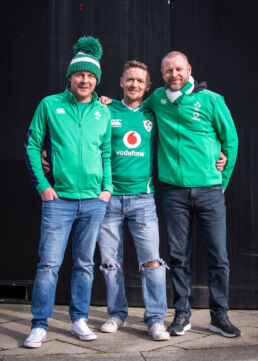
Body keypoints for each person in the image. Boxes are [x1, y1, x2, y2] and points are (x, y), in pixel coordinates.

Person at [23, 36, 112, 348]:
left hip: (93, 201)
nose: (85, 80)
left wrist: (107, 188)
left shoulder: (104, 112)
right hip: (58, 200)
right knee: (49, 264)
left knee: (84, 264)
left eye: (90, 76)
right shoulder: (50, 105)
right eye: (80, 74)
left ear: (96, 79)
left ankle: (79, 319)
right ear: (70, 77)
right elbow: (32, 146)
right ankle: (39, 324)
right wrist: (43, 186)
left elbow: (106, 153)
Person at [144, 51, 240, 338]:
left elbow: (231, 140)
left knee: (218, 256)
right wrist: (107, 103)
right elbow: (133, 110)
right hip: (174, 192)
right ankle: (182, 314)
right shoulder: (157, 99)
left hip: (210, 190)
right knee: (177, 257)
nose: (174, 75)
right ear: (161, 75)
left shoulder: (211, 100)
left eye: (178, 70)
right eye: (168, 71)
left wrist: (222, 181)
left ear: (188, 69)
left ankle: (219, 315)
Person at [98, 60, 170, 341]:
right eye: (130, 79)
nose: (135, 84)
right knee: (110, 262)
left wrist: (218, 156)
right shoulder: (105, 110)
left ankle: (155, 319)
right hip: (110, 198)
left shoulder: (154, 111)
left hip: (143, 199)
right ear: (121, 82)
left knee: (152, 262)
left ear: (148, 86)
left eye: (140, 81)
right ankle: (117, 314)